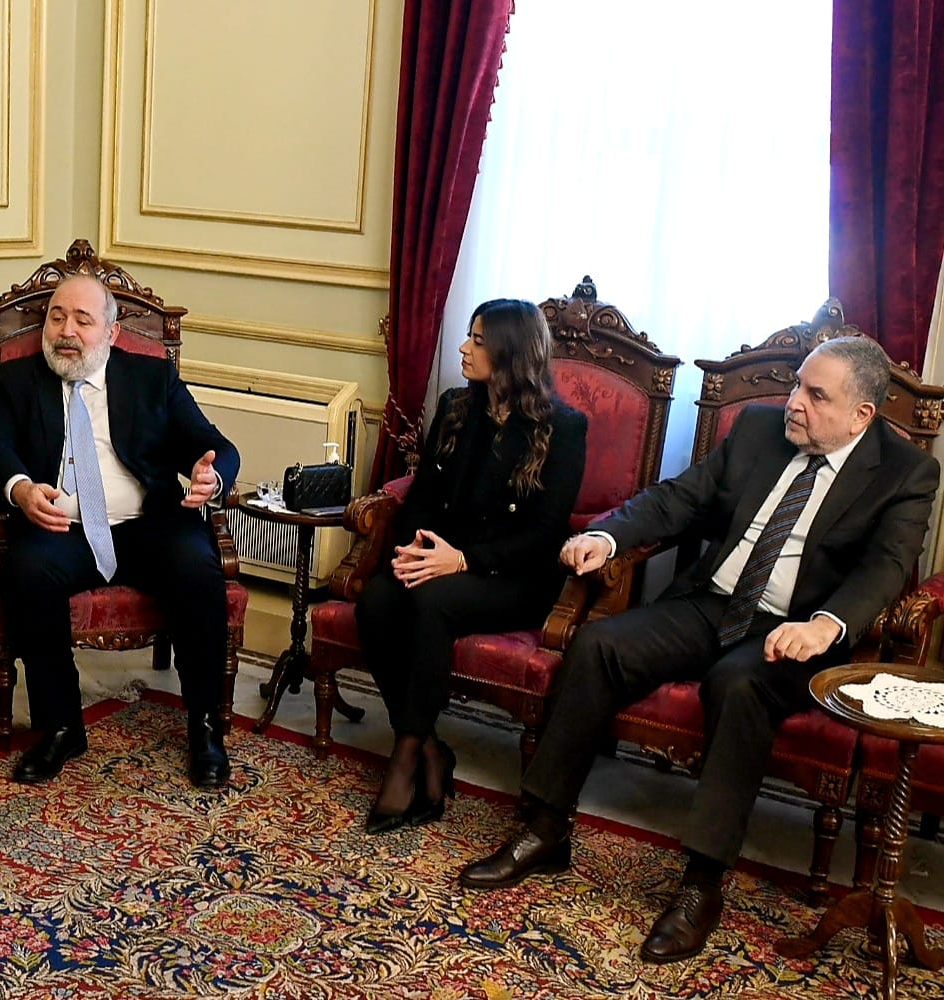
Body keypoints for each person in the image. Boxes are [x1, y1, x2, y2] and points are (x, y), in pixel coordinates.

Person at [459, 335, 940, 963]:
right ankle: (545, 828)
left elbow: (887, 566)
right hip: (712, 603)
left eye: (815, 395)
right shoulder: (760, 430)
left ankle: (702, 884)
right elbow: (678, 498)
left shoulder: (905, 473)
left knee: (738, 685)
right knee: (599, 644)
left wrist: (826, 625)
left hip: (796, 632)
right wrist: (609, 537)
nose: (794, 401)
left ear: (861, 415)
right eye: (797, 385)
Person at [0, 273, 239, 789]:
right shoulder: (18, 381)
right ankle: (61, 727)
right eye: (56, 317)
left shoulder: (151, 378)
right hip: (62, 528)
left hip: (146, 525)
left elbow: (215, 446)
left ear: (111, 333)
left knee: (197, 563)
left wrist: (212, 476)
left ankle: (206, 728)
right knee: (26, 570)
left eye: (82, 320)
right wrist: (21, 489)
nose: (65, 331)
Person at [355, 299, 587, 835]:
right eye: (469, 336)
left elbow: (545, 533)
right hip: (443, 559)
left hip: (514, 578)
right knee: (377, 599)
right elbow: (422, 497)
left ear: (509, 352)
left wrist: (462, 560)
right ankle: (431, 747)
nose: (463, 348)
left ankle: (406, 755)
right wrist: (416, 550)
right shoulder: (457, 406)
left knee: (431, 602)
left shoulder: (564, 428)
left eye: (478, 340)